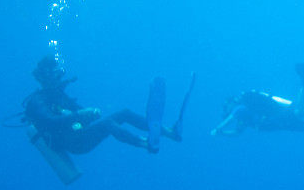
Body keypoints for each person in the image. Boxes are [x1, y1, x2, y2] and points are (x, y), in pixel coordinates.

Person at [23, 56, 190, 154]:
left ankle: (169, 133)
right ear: (45, 77)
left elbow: (79, 112)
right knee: (109, 123)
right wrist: (81, 115)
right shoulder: (37, 101)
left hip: (80, 133)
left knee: (124, 113)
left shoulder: (58, 95)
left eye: (59, 74)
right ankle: (146, 143)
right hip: (72, 143)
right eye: (55, 75)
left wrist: (90, 113)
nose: (59, 79)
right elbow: (51, 121)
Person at [211, 63, 304, 135]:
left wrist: (217, 129)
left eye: (226, 106)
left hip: (275, 116)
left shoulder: (239, 108)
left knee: (300, 112)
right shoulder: (242, 118)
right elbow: (237, 133)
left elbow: (232, 116)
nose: (226, 110)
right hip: (275, 124)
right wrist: (222, 133)